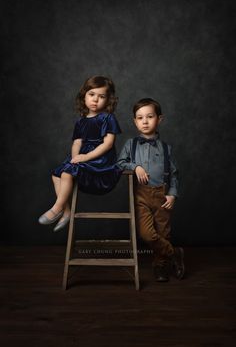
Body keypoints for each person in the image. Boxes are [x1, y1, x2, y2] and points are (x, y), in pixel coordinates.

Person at [39, 75, 122, 232]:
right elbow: (77, 142)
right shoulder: (81, 121)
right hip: (83, 156)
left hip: (101, 158)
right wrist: (76, 157)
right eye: (91, 95)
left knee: (67, 173)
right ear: (84, 95)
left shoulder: (108, 118)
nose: (95, 100)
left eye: (101, 96)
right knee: (56, 174)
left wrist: (85, 157)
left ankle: (57, 208)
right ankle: (66, 212)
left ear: (108, 100)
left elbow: (108, 144)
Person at [117, 98, 185, 282]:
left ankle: (160, 266)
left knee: (163, 231)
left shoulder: (165, 148)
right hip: (140, 194)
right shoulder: (130, 144)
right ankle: (174, 252)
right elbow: (120, 164)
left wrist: (172, 193)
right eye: (140, 117)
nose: (145, 121)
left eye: (149, 116)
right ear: (135, 121)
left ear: (159, 119)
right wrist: (135, 167)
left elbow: (174, 173)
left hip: (162, 194)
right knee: (146, 233)